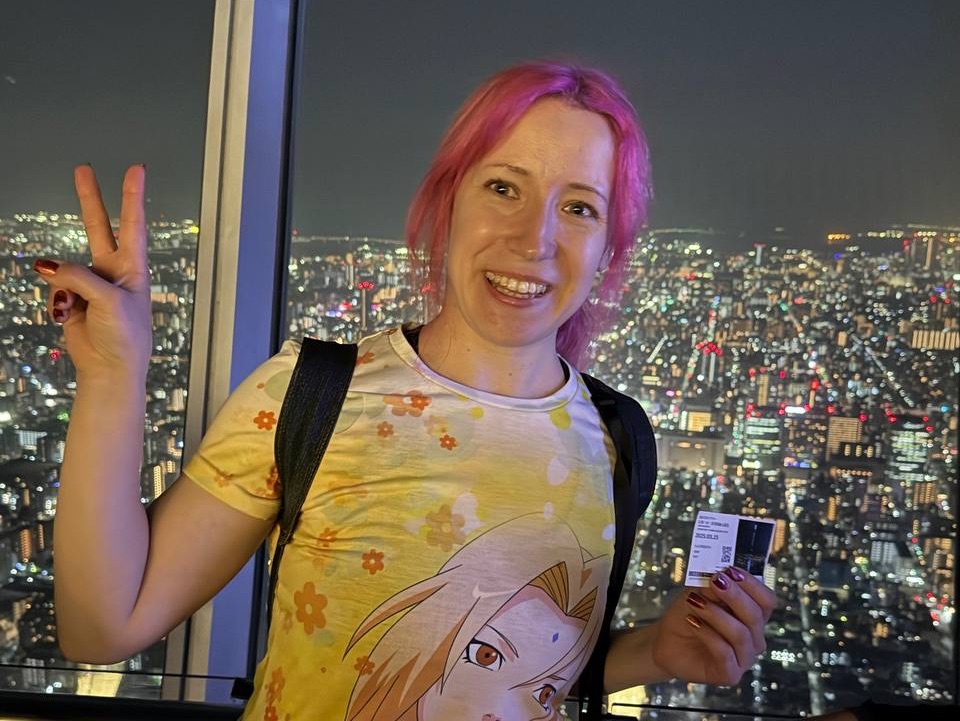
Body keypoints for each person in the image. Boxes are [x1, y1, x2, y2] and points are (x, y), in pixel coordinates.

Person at [34, 61, 777, 720]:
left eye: (579, 207)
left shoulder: (617, 441)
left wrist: (658, 650)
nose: (534, 240)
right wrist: (112, 376)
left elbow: (532, 674)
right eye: (503, 187)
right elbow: (104, 627)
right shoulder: (314, 397)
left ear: (608, 248)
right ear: (450, 200)